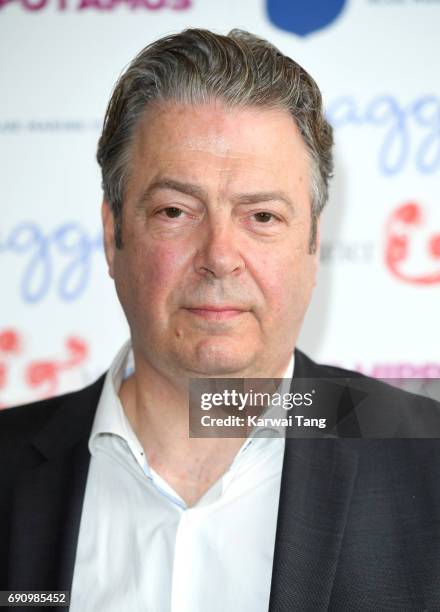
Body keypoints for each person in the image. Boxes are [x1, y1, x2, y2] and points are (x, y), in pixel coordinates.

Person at [1, 27, 440, 612]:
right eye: (176, 211)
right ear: (113, 237)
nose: (219, 256)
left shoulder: (427, 465)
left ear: (313, 245)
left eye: (261, 215)